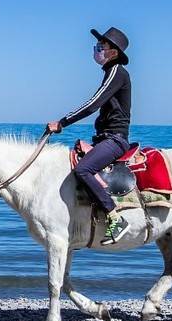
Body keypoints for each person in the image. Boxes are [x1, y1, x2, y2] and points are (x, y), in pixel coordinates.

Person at [46, 27, 133, 245]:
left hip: (115, 139)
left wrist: (62, 123)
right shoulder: (110, 72)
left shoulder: (117, 72)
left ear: (113, 52)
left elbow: (93, 104)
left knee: (83, 169)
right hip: (103, 137)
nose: (96, 50)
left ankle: (115, 217)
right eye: (97, 46)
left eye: (101, 47)